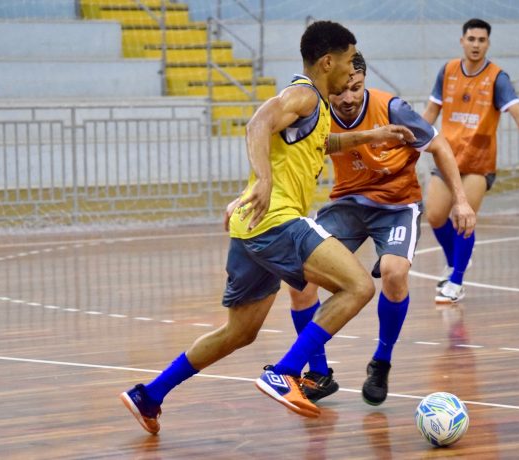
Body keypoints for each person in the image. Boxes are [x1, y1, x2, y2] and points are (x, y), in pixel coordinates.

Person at [120, 20, 416, 434]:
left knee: (239, 332)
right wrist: (262, 180)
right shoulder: (303, 94)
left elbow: (322, 143)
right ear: (327, 62)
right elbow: (257, 123)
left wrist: (372, 135)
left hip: (251, 227)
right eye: (349, 61)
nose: (353, 70)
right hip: (277, 221)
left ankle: (149, 395)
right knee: (358, 286)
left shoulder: (317, 108)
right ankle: (287, 372)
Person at [288, 52, 476, 406]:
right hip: (348, 204)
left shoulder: (392, 108)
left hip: (397, 205)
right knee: (299, 274)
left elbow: (438, 145)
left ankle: (381, 362)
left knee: (393, 272)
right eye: (341, 91)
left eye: (356, 88)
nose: (348, 98)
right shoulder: (317, 111)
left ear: (364, 82)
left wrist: (461, 200)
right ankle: (318, 372)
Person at [422, 18, 519, 304]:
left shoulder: (497, 78)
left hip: (479, 162)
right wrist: (412, 140)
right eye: (471, 39)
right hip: (447, 156)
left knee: (463, 218)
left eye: (481, 40)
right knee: (434, 215)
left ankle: (456, 282)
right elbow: (432, 110)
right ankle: (456, 261)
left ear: (488, 44)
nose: (476, 44)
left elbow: (517, 112)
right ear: (462, 41)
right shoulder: (448, 71)